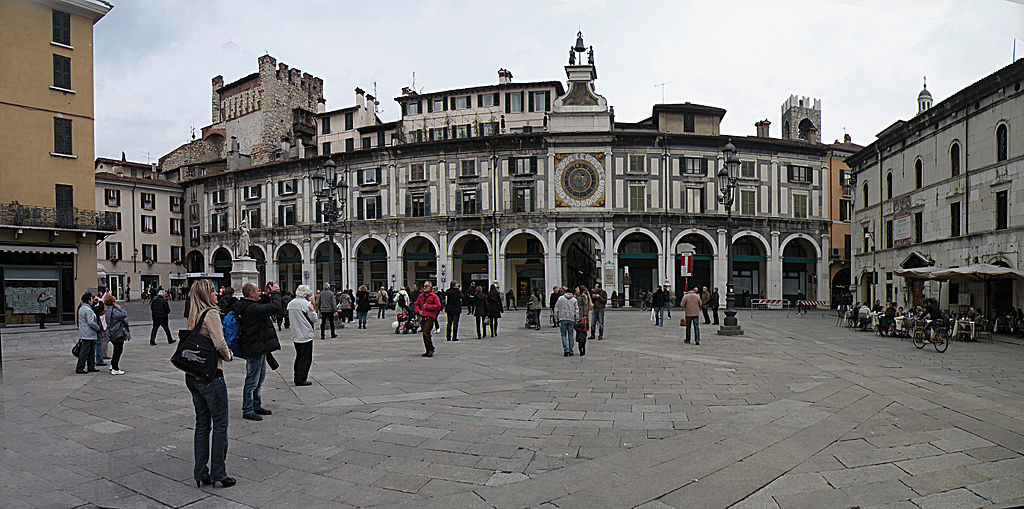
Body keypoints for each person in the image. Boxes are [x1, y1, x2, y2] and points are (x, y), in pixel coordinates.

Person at [184, 279, 236, 488]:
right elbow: (219, 342)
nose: (217, 294)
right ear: (207, 295)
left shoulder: (193, 313)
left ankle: (200, 472)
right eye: (213, 291)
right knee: (221, 424)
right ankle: (218, 473)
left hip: (193, 375)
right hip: (211, 375)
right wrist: (228, 355)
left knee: (202, 425)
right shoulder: (211, 313)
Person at [233, 282, 282, 422]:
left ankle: (256, 404)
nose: (260, 292)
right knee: (252, 380)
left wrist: (267, 294)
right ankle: (248, 409)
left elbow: (265, 306)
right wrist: (276, 292)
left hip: (258, 347)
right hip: (253, 348)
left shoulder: (249, 305)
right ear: (251, 294)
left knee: (259, 379)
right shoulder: (252, 308)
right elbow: (275, 307)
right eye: (258, 291)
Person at [288, 285, 317, 386]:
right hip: (306, 334)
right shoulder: (306, 304)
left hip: (296, 334)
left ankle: (297, 376)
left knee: (299, 356)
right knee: (306, 358)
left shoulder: (291, 304)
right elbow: (314, 318)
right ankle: (301, 378)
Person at [104, 294, 130, 375]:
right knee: (118, 350)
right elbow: (124, 314)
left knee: (116, 349)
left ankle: (112, 365)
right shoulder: (114, 311)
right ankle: (115, 368)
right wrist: (118, 307)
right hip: (117, 332)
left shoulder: (108, 310)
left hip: (111, 332)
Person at [414, 281, 442, 357]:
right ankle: (429, 349)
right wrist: (418, 310)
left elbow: (438, 306)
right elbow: (416, 304)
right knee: (425, 334)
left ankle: (430, 349)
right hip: (423, 316)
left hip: (430, 317)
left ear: (430, 287)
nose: (425, 288)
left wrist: (428, 306)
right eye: (424, 286)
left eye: (427, 286)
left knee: (425, 333)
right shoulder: (421, 296)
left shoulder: (434, 296)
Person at [75, 293, 101, 374]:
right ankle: (80, 367)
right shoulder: (88, 310)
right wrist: (97, 327)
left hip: (85, 332)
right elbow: (90, 322)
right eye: (91, 299)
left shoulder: (82, 308)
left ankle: (91, 366)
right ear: (89, 301)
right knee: (85, 351)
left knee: (91, 351)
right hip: (88, 333)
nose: (93, 300)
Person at [555, 288, 579, 356]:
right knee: (571, 335)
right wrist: (576, 319)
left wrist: (556, 319)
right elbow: (577, 311)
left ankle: (566, 349)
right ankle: (571, 350)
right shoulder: (574, 300)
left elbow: (556, 309)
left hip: (562, 318)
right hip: (571, 319)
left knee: (563, 335)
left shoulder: (560, 299)